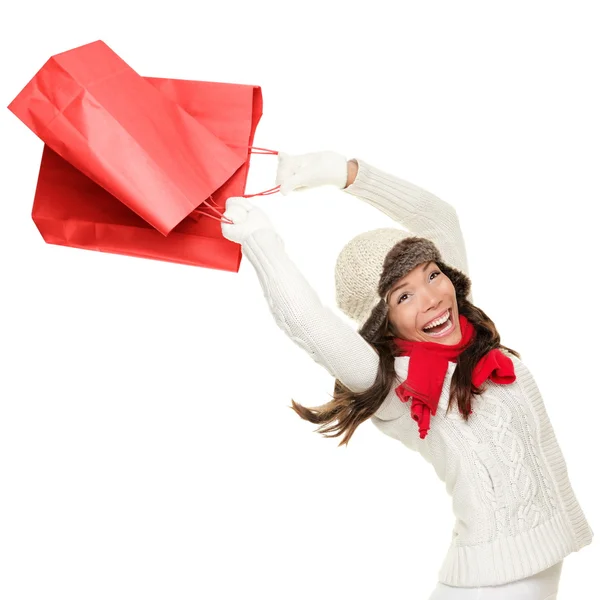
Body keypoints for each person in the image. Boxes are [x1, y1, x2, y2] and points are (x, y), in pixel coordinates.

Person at [220, 151, 593, 599]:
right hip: (490, 587)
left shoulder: (464, 331)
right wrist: (263, 244)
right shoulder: (396, 384)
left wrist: (346, 174)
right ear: (384, 323)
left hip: (526, 574)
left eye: (433, 274)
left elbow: (439, 217)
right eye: (403, 297)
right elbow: (309, 323)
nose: (433, 298)